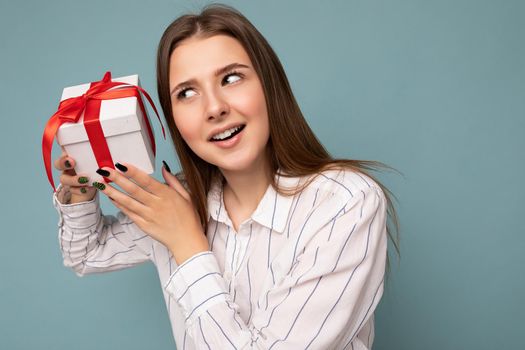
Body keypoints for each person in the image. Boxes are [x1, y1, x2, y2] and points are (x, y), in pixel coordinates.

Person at [52, 4, 399, 349]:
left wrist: (187, 245)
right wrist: (83, 190)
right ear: (174, 119)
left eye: (231, 78)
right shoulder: (178, 203)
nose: (214, 107)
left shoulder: (343, 203)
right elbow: (86, 253)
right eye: (186, 93)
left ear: (269, 85)